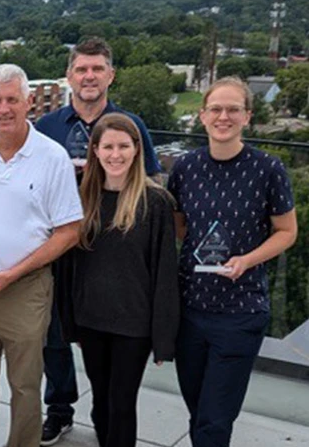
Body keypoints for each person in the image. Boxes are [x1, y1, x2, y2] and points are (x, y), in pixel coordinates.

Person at [34, 36, 162, 446]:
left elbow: (150, 184)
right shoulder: (47, 126)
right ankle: (59, 408)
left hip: (108, 249)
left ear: (111, 75)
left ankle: (106, 416)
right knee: (53, 333)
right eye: (81, 69)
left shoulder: (130, 126)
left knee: (105, 354)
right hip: (57, 245)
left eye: (97, 69)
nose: (89, 76)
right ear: (69, 76)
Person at [0, 64, 82, 447]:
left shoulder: (52, 157)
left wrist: (13, 273)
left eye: (12, 100)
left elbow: (69, 230)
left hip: (25, 289)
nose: (3, 109)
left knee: (25, 387)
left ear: (29, 103)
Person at [167, 77, 297, 447]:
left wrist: (247, 259)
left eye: (233, 110)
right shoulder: (185, 167)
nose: (223, 117)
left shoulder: (268, 169)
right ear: (202, 115)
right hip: (190, 307)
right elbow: (180, 225)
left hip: (241, 311)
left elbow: (287, 231)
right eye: (216, 109)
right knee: (197, 409)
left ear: (247, 116)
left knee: (215, 419)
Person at [59, 113, 179, 447]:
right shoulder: (82, 198)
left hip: (134, 324)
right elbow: (68, 266)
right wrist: (70, 322)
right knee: (101, 400)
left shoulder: (155, 202)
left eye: (123, 146)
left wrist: (163, 337)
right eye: (108, 147)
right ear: (95, 150)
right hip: (91, 319)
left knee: (122, 404)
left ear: (137, 149)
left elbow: (164, 271)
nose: (116, 154)